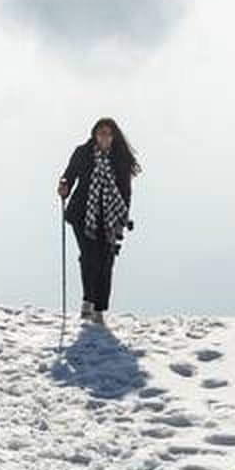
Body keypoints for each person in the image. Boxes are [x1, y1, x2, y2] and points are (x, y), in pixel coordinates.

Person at [56, 117, 139, 323]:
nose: (104, 136)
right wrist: (64, 186)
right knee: (88, 255)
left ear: (113, 137)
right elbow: (69, 175)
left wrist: (122, 217)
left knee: (106, 261)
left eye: (108, 133)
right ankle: (88, 302)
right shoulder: (82, 153)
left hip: (109, 217)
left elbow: (126, 192)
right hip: (82, 213)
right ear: (94, 134)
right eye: (100, 132)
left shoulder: (121, 160)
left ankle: (99, 309)